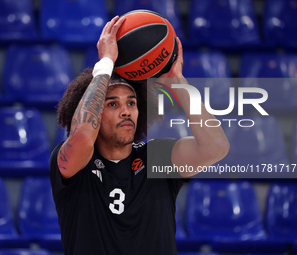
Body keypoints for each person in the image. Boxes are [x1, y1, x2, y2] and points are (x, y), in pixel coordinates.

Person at [49, 15, 229, 255]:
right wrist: (105, 64)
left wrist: (177, 82)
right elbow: (82, 134)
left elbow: (216, 147)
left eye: (131, 103)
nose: (126, 111)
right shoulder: (74, 161)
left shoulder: (158, 157)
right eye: (112, 104)